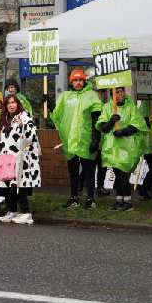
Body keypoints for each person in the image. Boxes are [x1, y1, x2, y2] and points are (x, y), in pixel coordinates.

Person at [50, 68, 102, 209]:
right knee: (73, 171)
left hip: (86, 140)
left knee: (89, 170)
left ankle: (91, 198)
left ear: (84, 81)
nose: (78, 83)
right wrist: (49, 104)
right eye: (75, 80)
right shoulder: (66, 96)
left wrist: (95, 139)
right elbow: (57, 115)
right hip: (70, 141)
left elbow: (97, 119)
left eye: (80, 80)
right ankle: (74, 198)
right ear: (71, 82)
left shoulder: (91, 96)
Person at [96, 86, 148, 211]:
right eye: (117, 92)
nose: (120, 94)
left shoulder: (131, 107)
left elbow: (138, 125)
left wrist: (123, 132)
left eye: (122, 91)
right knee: (117, 173)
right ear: (112, 94)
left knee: (123, 174)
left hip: (127, 147)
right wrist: (111, 121)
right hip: (112, 148)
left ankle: (127, 201)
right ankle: (119, 200)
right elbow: (102, 127)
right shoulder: (107, 107)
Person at [0, 94, 42, 225]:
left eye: (14, 102)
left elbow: (31, 137)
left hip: (21, 160)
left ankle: (26, 213)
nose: (11, 105)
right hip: (6, 159)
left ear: (18, 104)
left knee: (20, 185)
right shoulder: (4, 119)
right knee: (7, 185)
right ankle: (12, 210)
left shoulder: (25, 118)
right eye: (8, 103)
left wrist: (22, 126)